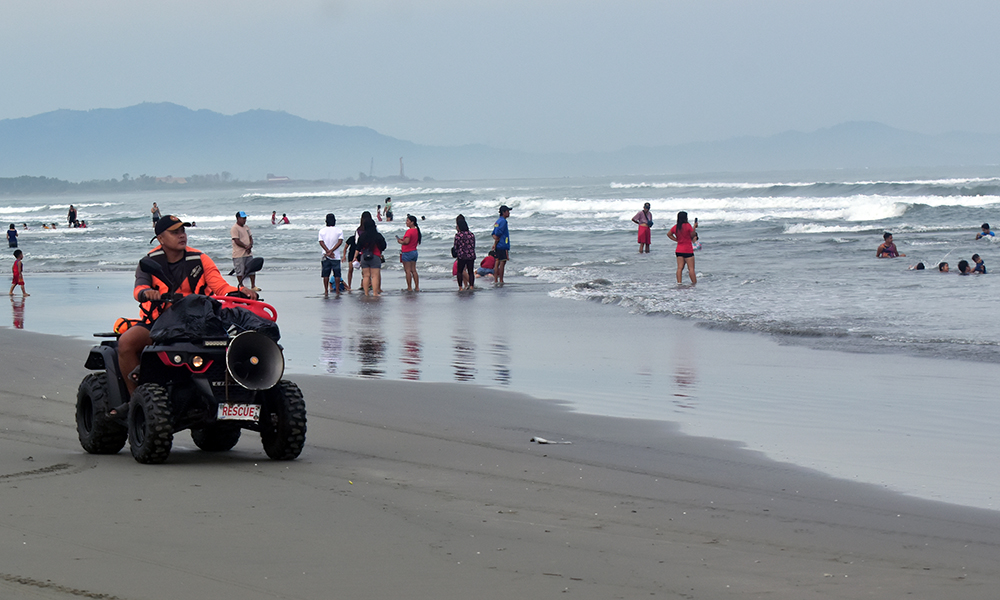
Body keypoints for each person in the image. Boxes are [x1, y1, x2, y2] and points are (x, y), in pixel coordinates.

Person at [116, 215, 255, 396]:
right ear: (160, 239)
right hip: (158, 324)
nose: (181, 235)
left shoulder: (200, 259)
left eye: (183, 231)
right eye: (175, 232)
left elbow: (220, 286)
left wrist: (239, 290)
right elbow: (139, 288)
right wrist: (146, 293)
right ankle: (134, 398)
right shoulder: (148, 263)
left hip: (198, 321)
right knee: (126, 343)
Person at [354, 214, 386, 297]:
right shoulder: (378, 235)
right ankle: (375, 293)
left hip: (364, 257)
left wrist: (355, 257)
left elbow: (358, 247)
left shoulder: (362, 236)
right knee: (374, 276)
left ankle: (366, 293)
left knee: (366, 276)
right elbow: (384, 246)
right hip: (375, 256)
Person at [231, 211, 259, 291]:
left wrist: (250, 245)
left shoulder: (246, 227)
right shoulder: (235, 228)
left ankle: (253, 285)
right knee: (240, 271)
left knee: (252, 269)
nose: (244, 220)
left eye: (245, 218)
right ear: (238, 218)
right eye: (243, 218)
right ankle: (242, 286)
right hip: (239, 253)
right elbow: (236, 240)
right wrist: (245, 246)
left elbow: (250, 237)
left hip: (248, 253)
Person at [668, 211, 698, 284]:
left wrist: (676, 240)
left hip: (679, 249)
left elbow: (669, 234)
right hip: (688, 249)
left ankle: (679, 283)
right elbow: (692, 235)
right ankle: (694, 283)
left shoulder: (676, 227)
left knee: (679, 268)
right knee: (691, 269)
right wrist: (695, 227)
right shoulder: (688, 225)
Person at [318, 213, 344, 297]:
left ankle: (326, 290)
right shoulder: (339, 230)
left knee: (325, 274)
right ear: (335, 221)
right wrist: (332, 251)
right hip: (335, 256)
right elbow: (340, 242)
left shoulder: (322, 231)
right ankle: (337, 290)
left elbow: (321, 242)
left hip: (325, 255)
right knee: (337, 274)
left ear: (326, 221)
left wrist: (327, 251)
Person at [396, 214, 421, 292]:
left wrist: (400, 241)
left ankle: (409, 287)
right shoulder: (417, 230)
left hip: (407, 252)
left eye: (407, 221)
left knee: (407, 271)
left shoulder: (409, 231)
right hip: (414, 251)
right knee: (414, 270)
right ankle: (417, 287)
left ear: (412, 222)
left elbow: (406, 242)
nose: (406, 222)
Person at [453, 214, 476, 290]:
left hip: (462, 255)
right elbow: (473, 245)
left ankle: (460, 287)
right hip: (471, 255)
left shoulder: (458, 235)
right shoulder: (471, 234)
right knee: (471, 271)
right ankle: (472, 286)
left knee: (460, 271)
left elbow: (456, 246)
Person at [491, 205, 512, 284]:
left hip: (498, 245)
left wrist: (495, 241)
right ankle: (501, 280)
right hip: (503, 244)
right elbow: (498, 233)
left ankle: (496, 279)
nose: (509, 213)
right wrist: (496, 239)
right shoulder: (503, 221)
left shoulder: (498, 221)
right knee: (502, 262)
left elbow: (493, 233)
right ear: (504, 212)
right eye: (507, 211)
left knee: (497, 262)